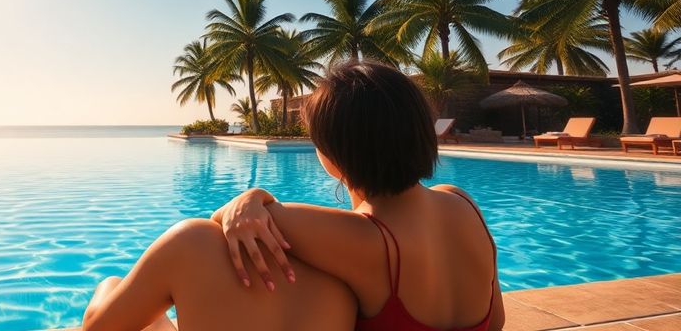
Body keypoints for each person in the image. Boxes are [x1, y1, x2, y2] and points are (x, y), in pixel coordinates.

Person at [82, 62, 503, 330]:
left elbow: (233, 222)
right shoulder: (462, 203)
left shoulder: (366, 242)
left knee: (119, 287)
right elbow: (496, 320)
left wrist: (250, 197)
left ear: (333, 156)